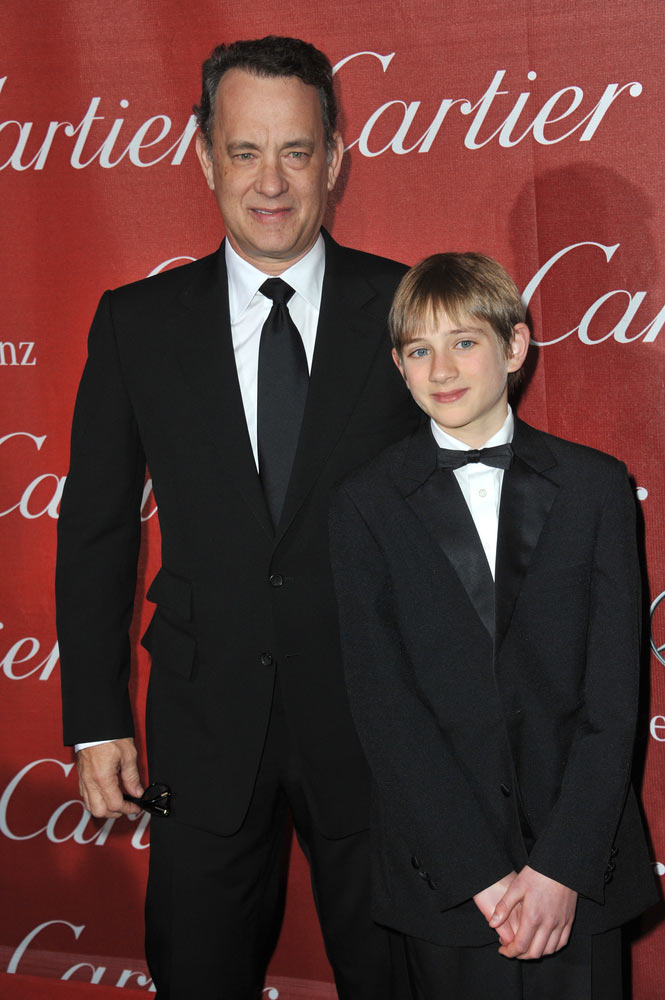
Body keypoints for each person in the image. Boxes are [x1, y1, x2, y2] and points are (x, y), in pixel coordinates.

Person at [56, 35, 420, 999]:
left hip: (375, 730)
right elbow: (96, 525)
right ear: (204, 154)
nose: (271, 182)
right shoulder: (136, 322)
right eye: (246, 150)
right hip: (204, 722)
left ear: (335, 159)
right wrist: (95, 717)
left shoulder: (405, 314)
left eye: (296, 152)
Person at [328, 252, 658, 999]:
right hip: (443, 882)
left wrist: (559, 869)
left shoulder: (595, 487)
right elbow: (385, 709)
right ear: (397, 366)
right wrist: (478, 873)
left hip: (580, 876)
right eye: (419, 349)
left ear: (514, 347)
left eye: (464, 342)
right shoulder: (364, 506)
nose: (441, 367)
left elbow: (613, 702)